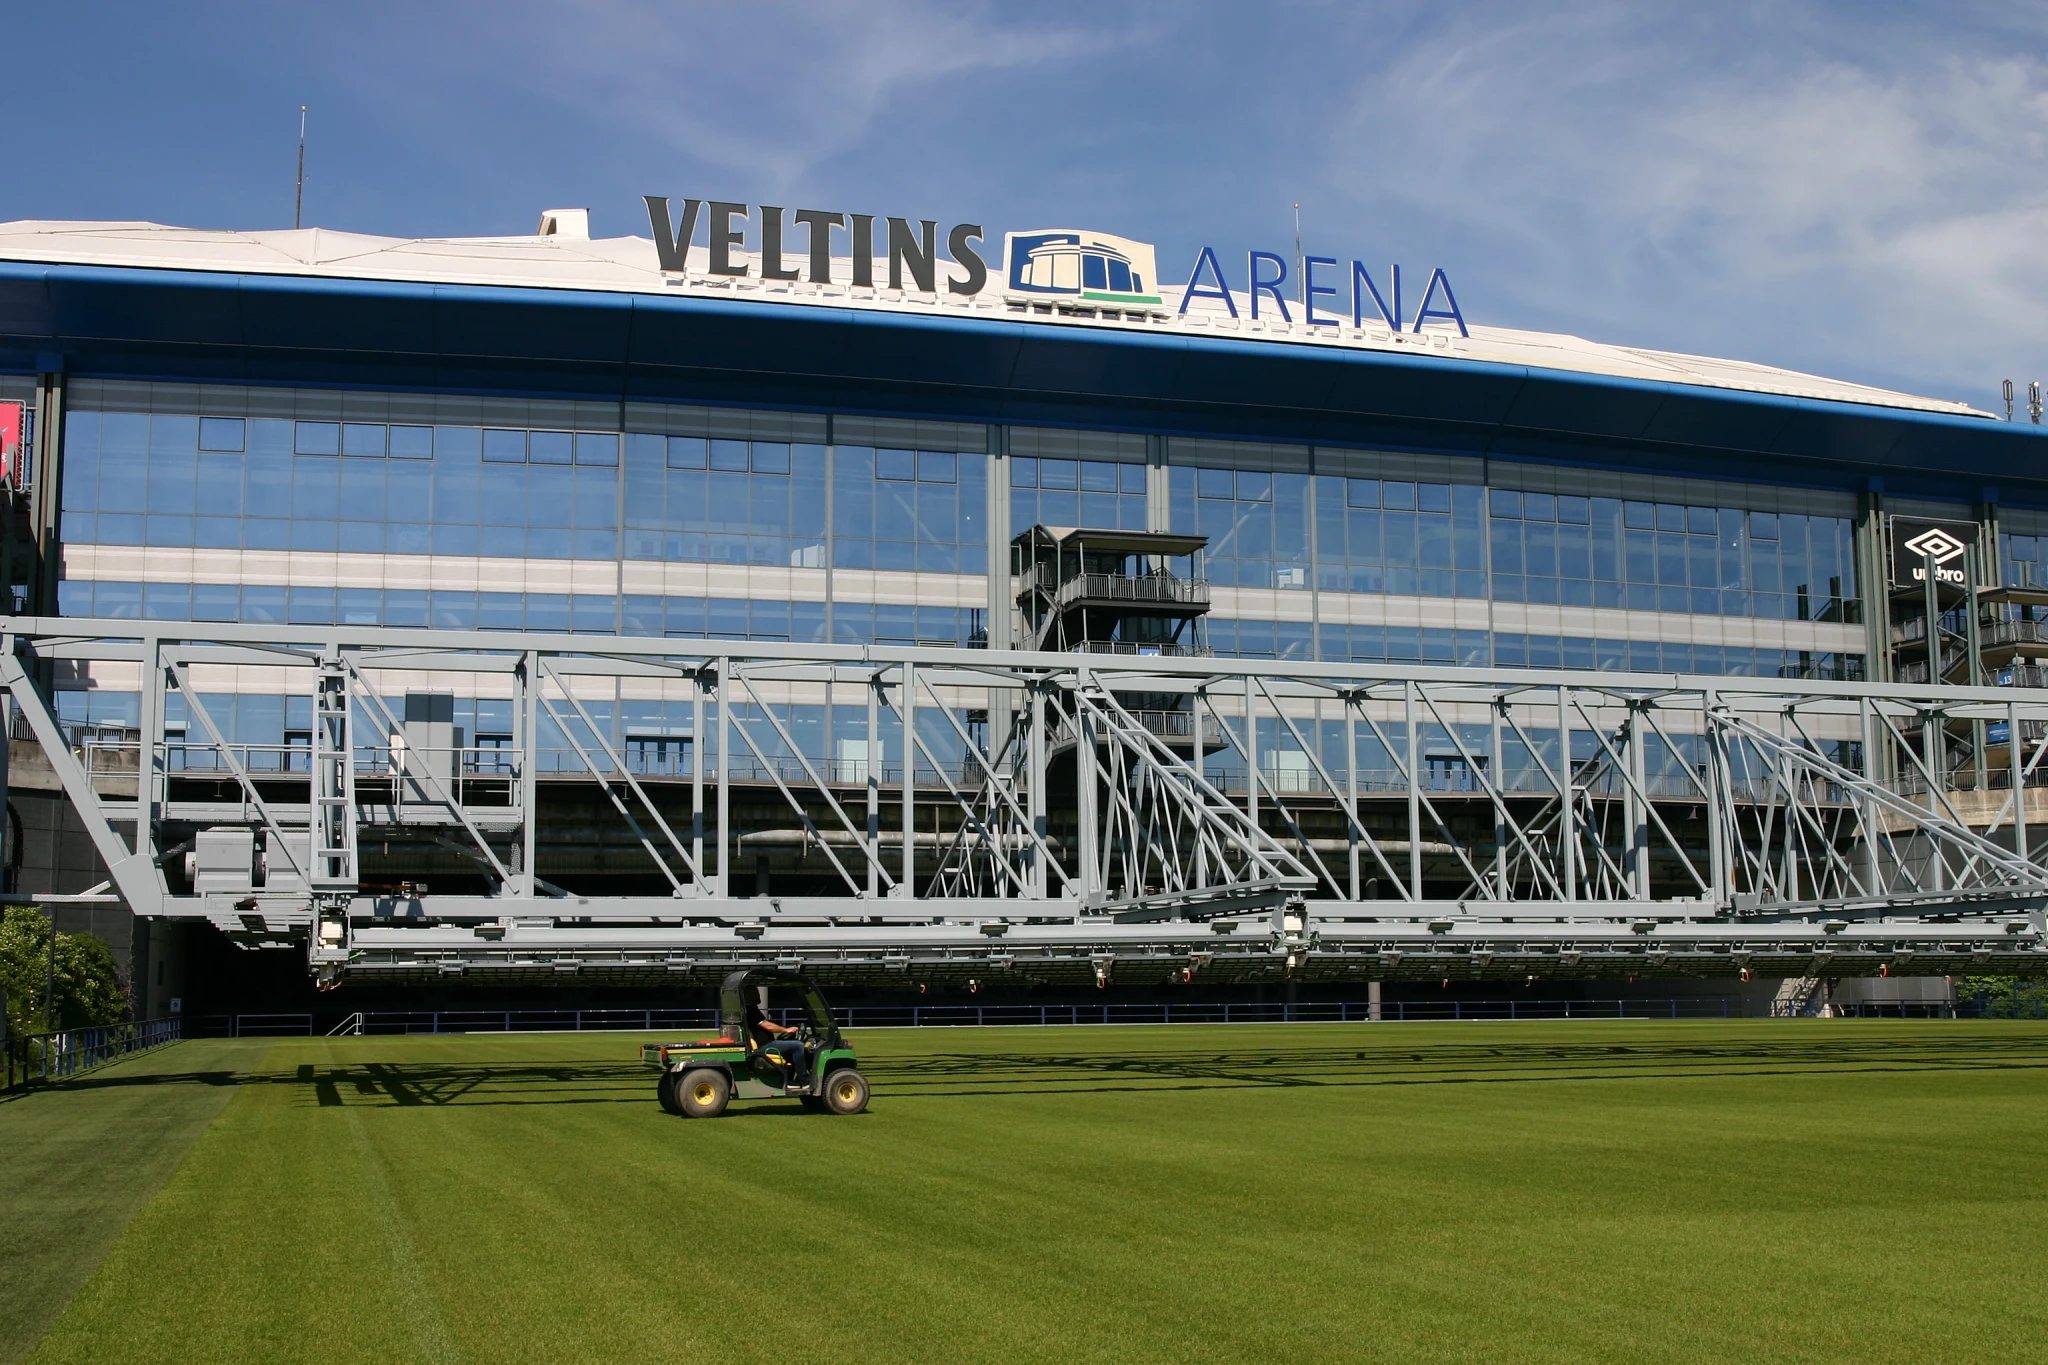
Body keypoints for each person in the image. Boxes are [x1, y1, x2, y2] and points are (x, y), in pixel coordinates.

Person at [754, 1011, 808, 1083]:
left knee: (791, 1048)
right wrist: (786, 1030)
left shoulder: (751, 1009)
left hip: (766, 1043)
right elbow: (769, 1026)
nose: (758, 999)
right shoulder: (751, 1011)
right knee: (798, 1045)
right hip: (765, 1045)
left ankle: (788, 1080)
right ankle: (803, 1077)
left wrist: (785, 1029)